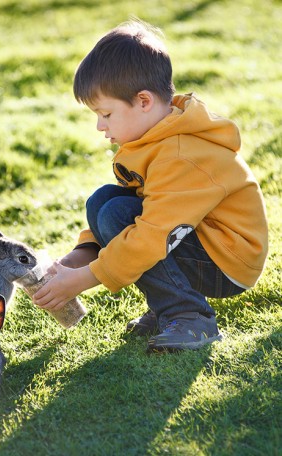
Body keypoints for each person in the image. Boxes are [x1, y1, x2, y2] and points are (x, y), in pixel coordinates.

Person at [32, 19, 268, 352]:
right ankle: (166, 309)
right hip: (198, 240)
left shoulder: (180, 154)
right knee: (104, 201)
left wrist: (86, 278)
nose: (100, 126)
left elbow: (151, 234)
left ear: (143, 101)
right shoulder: (151, 138)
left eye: (106, 114)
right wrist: (79, 258)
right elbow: (138, 205)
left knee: (117, 213)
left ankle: (190, 318)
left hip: (228, 260)